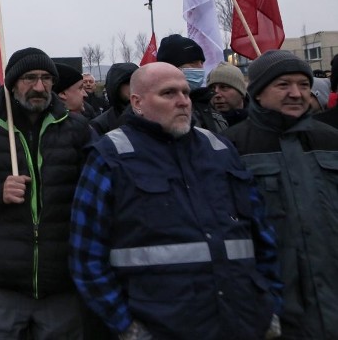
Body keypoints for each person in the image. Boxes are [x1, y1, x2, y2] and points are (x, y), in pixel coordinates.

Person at [70, 62, 282, 339]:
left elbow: (263, 236)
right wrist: (126, 327)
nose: (183, 101)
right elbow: (85, 258)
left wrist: (270, 306)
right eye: (168, 94)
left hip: (240, 320)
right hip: (160, 324)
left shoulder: (218, 149)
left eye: (186, 92)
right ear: (137, 102)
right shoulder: (111, 155)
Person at [0, 47, 94, 339]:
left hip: (60, 281)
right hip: (1, 283)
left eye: (47, 78)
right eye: (29, 78)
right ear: (12, 82)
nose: (39, 87)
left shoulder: (76, 128)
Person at [224, 50, 338, 339]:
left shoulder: (330, 138)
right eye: (283, 85)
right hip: (275, 304)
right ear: (258, 93)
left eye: (303, 84)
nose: (296, 93)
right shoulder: (232, 146)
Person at [156, 34, 227, 132]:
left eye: (201, 63)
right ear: (172, 68)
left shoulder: (207, 105)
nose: (200, 68)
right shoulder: (155, 110)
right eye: (193, 63)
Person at [90, 62, 138, 135]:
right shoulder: (100, 124)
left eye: (137, 82)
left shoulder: (151, 114)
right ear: (116, 86)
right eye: (128, 83)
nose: (133, 86)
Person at [206, 62, 249, 127]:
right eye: (212, 88)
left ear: (241, 92)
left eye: (224, 87)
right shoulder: (203, 124)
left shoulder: (261, 121)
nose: (216, 94)